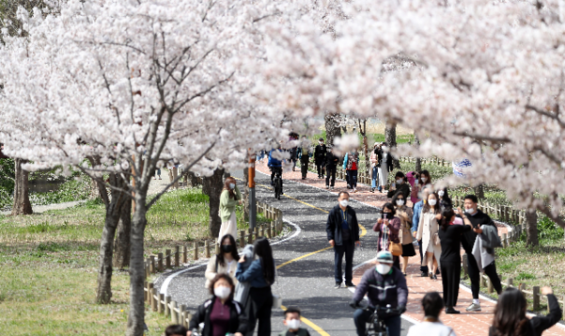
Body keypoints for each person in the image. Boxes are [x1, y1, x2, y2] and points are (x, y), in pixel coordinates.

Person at [351, 251, 408, 336]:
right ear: (376, 262)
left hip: (391, 311)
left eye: (387, 263)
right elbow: (361, 287)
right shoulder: (370, 273)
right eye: (381, 262)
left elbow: (402, 290)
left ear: (392, 264)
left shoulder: (398, 275)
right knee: (358, 315)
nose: (384, 265)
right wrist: (355, 299)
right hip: (372, 308)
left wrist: (402, 304)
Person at [461, 194, 502, 312]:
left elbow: (494, 230)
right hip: (470, 252)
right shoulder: (463, 218)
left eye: (469, 203)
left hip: (484, 251)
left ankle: (502, 300)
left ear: (475, 204)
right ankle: (476, 302)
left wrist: (482, 230)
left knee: (492, 275)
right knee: (473, 277)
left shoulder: (484, 217)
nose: (467, 206)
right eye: (465, 203)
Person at [438, 208, 476, 314]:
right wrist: (463, 215)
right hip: (453, 260)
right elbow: (469, 227)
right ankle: (449, 306)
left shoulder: (441, 229)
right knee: (453, 283)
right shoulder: (454, 228)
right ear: (453, 217)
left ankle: (447, 304)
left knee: (446, 283)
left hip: (443, 259)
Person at [235, 238, 276, 336]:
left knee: (250, 322)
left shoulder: (257, 264)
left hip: (255, 296)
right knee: (265, 324)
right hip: (267, 293)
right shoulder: (271, 261)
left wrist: (240, 264)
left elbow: (242, 277)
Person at [489, 287, 562, 336]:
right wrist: (550, 294)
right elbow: (555, 314)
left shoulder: (494, 330)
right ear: (523, 306)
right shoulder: (533, 324)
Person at [326, 191, 360, 288]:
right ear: (338, 199)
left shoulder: (351, 211)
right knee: (338, 261)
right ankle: (338, 281)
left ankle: (348, 281)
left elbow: (355, 226)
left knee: (349, 262)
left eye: (347, 199)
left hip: (349, 240)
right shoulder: (334, 211)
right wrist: (330, 238)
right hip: (338, 241)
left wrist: (356, 239)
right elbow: (329, 226)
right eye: (343, 199)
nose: (345, 201)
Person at [416, 192, 442, 280]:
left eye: (434, 198)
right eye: (430, 198)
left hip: (437, 235)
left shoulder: (440, 210)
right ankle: (430, 271)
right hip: (427, 235)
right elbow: (421, 223)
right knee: (429, 253)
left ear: (437, 199)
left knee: (437, 254)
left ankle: (434, 271)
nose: (432, 200)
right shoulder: (424, 209)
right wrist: (419, 235)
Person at [372, 202, 401, 270]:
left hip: (391, 246)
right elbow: (375, 229)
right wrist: (378, 223)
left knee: (393, 265)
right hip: (382, 245)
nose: (386, 212)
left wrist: (389, 225)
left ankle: (396, 278)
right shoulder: (382, 219)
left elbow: (395, 231)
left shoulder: (396, 220)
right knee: (382, 265)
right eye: (385, 210)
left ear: (391, 211)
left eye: (388, 210)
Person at [392, 192, 415, 275]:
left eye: (402, 199)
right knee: (394, 252)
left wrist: (407, 218)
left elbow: (413, 222)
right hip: (395, 233)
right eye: (398, 199)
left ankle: (403, 270)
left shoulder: (408, 209)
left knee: (405, 254)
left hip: (405, 233)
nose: (400, 200)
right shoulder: (392, 209)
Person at [412, 189, 430, 277]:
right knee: (423, 250)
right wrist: (414, 230)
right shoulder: (418, 205)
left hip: (433, 231)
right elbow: (415, 218)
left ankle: (434, 267)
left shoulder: (436, 205)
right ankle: (424, 269)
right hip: (422, 231)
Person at [218, 177, 242, 242]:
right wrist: (237, 202)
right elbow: (226, 203)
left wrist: (236, 187)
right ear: (228, 183)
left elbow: (239, 197)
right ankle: (224, 243)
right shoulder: (225, 192)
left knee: (231, 229)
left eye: (234, 183)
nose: (233, 185)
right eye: (232, 183)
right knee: (227, 230)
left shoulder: (230, 192)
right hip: (227, 214)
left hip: (230, 213)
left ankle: (229, 243)